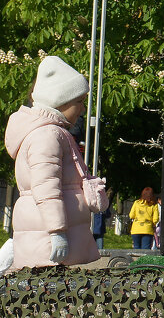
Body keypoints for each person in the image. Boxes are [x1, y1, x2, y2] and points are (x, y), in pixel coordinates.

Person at [4, 56, 104, 271]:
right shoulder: (47, 135)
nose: (83, 109)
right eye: (80, 102)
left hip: (47, 234)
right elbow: (46, 187)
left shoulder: (52, 132)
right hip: (48, 238)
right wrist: (57, 232)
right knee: (49, 293)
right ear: (62, 100)